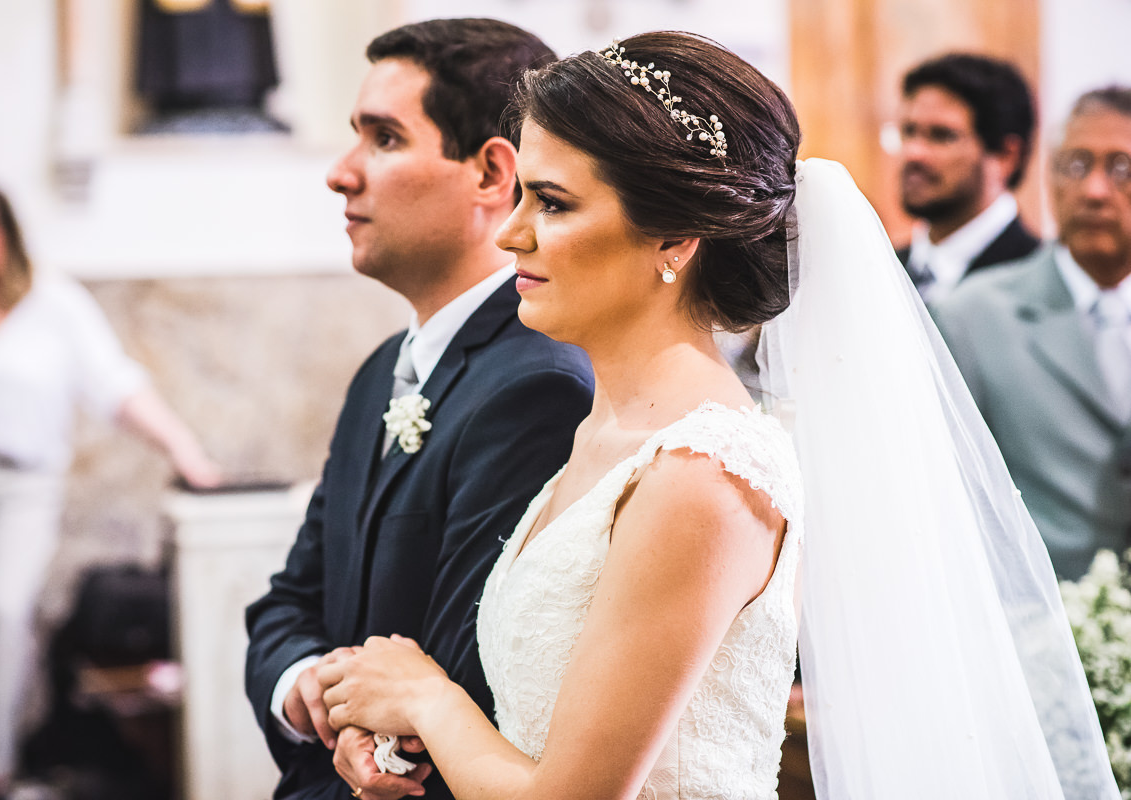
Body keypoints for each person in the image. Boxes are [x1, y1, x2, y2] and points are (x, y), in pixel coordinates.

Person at [317, 32, 1118, 799]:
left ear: (673, 236)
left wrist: (426, 700)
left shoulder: (704, 475)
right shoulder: (604, 434)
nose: (512, 232)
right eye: (521, 194)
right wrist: (395, 730)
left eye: (553, 203)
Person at [242, 19, 593, 800]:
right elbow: (288, 600)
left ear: (489, 173)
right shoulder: (379, 373)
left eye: (384, 139)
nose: (341, 173)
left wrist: (358, 719)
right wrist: (303, 684)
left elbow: (459, 694)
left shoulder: (538, 388)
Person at [0, 181, 221, 799]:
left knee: (4, 609)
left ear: (9, 233)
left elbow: (116, 384)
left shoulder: (55, 303)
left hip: (25, 485)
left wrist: (182, 447)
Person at [935, 86, 1131, 582]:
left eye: (1122, 168)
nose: (1095, 191)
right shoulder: (973, 317)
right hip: (1042, 625)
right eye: (1077, 165)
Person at [895, 53, 1040, 302]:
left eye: (941, 136)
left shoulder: (1043, 280)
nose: (913, 153)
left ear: (1006, 156)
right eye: (909, 131)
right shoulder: (883, 266)